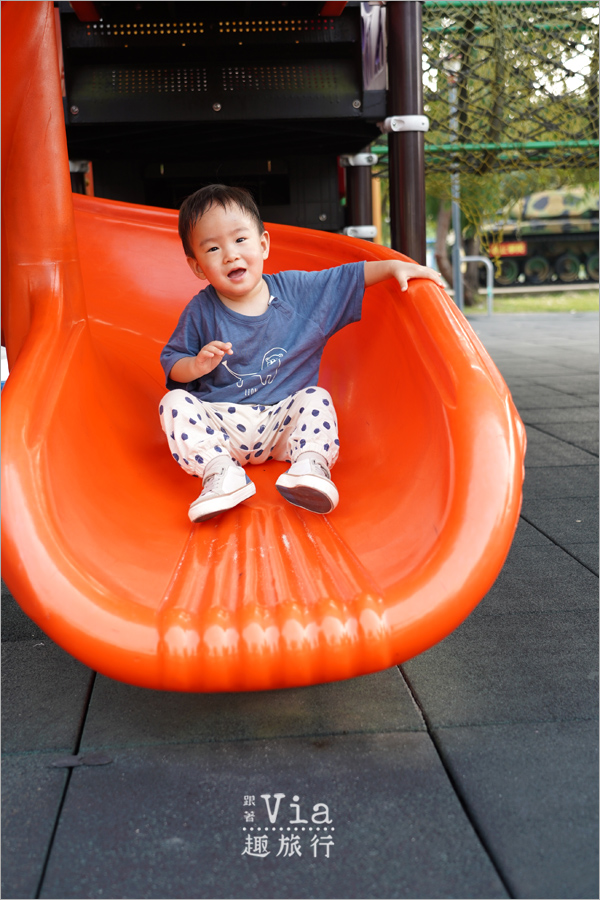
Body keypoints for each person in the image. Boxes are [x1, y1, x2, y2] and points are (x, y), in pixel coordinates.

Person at [160, 184, 444, 523]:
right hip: (225, 424)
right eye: (213, 248)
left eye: (240, 240)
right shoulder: (200, 310)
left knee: (316, 398)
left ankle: (310, 466)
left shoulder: (297, 293)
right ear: (196, 267)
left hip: (283, 423)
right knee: (173, 403)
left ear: (263, 244)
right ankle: (221, 473)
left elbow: (346, 278)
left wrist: (393, 267)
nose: (230, 255)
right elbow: (174, 365)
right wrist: (196, 365)